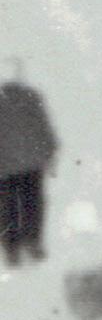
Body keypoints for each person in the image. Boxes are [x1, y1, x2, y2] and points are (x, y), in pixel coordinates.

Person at [0, 59, 50, 268]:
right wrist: (49, 150)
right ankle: (32, 242)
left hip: (5, 164)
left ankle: (11, 248)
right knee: (32, 203)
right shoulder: (31, 96)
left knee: (7, 205)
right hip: (31, 162)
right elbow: (43, 126)